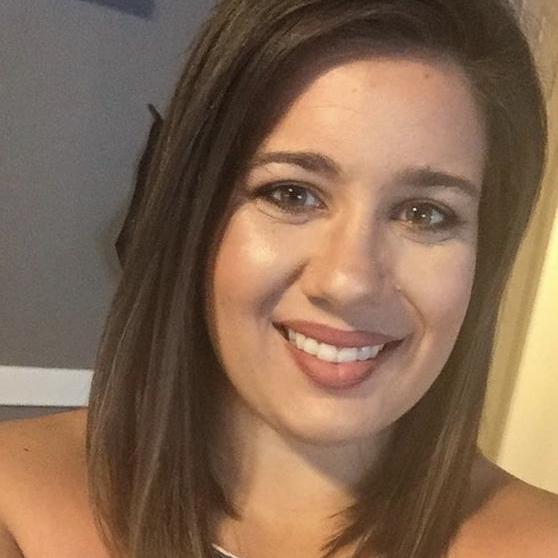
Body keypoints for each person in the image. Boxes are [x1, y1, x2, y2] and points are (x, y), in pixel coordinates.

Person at [1, 0, 557, 557]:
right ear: (194, 215)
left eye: (424, 214)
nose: (349, 281)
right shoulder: (16, 508)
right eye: (292, 194)